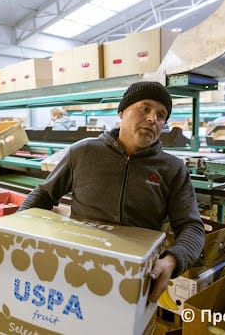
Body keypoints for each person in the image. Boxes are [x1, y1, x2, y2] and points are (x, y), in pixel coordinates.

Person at [19, 81, 205, 303]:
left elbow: (191, 226)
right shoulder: (83, 152)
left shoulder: (173, 169)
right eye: (144, 108)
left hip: (135, 278)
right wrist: (15, 233)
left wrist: (173, 260)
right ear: (122, 112)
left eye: (161, 115)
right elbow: (44, 194)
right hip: (75, 268)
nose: (152, 119)